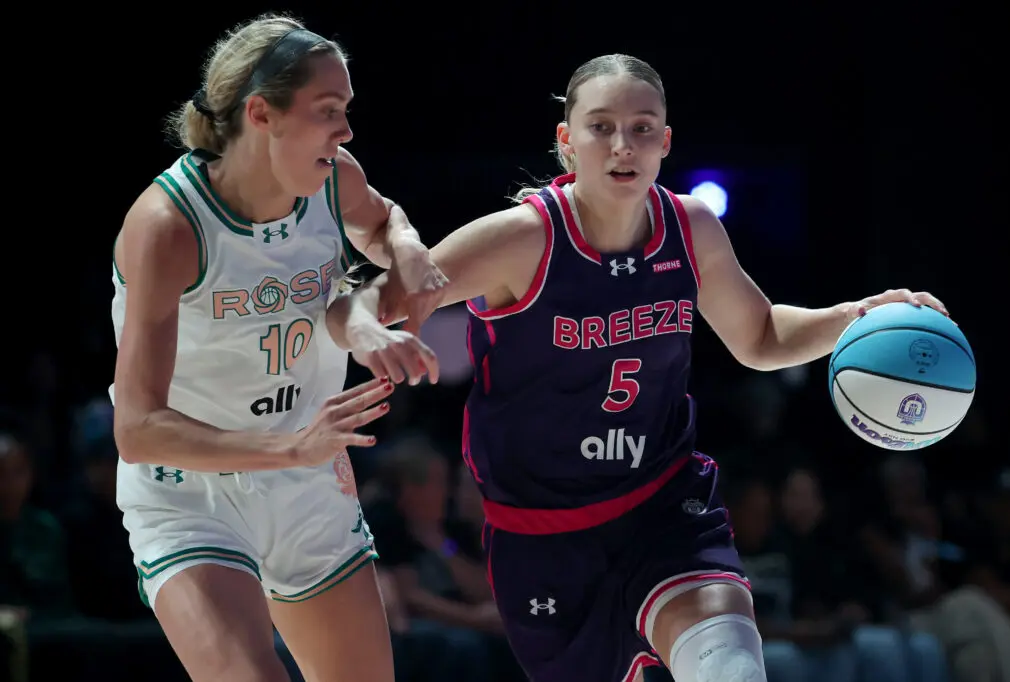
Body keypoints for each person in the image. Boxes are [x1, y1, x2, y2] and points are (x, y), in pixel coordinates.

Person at [327, 53, 949, 682]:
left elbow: (759, 335)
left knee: (732, 662)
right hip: (543, 534)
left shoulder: (692, 228)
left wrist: (857, 314)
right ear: (566, 139)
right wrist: (368, 330)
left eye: (642, 127)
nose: (623, 145)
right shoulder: (522, 238)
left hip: (662, 503)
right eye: (601, 127)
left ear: (665, 141)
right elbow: (372, 301)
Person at [109, 13, 443, 682]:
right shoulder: (169, 225)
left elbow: (382, 220)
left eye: (346, 110)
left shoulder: (331, 175)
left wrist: (407, 254)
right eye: (328, 111)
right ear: (262, 114)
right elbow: (138, 429)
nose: (346, 130)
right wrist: (292, 446)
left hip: (306, 481)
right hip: (194, 491)